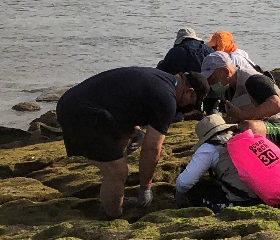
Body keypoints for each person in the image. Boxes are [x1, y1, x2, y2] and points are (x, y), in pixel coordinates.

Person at [55, 68, 208, 218]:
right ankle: (112, 218)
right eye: (192, 102)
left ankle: (112, 196)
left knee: (122, 148)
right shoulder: (167, 99)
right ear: (189, 91)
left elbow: (125, 105)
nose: (187, 107)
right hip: (80, 113)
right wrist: (145, 187)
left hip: (74, 102)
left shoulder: (160, 78)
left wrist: (132, 134)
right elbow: (152, 149)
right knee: (117, 171)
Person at [175, 114, 280, 211]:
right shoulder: (246, 137)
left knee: (193, 191)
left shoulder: (208, 148)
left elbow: (184, 183)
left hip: (249, 199)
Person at [203, 54, 280, 152]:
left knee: (248, 128)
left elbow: (276, 105)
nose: (210, 83)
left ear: (226, 71)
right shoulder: (228, 87)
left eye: (212, 78)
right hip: (262, 126)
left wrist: (242, 115)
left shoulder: (253, 80)